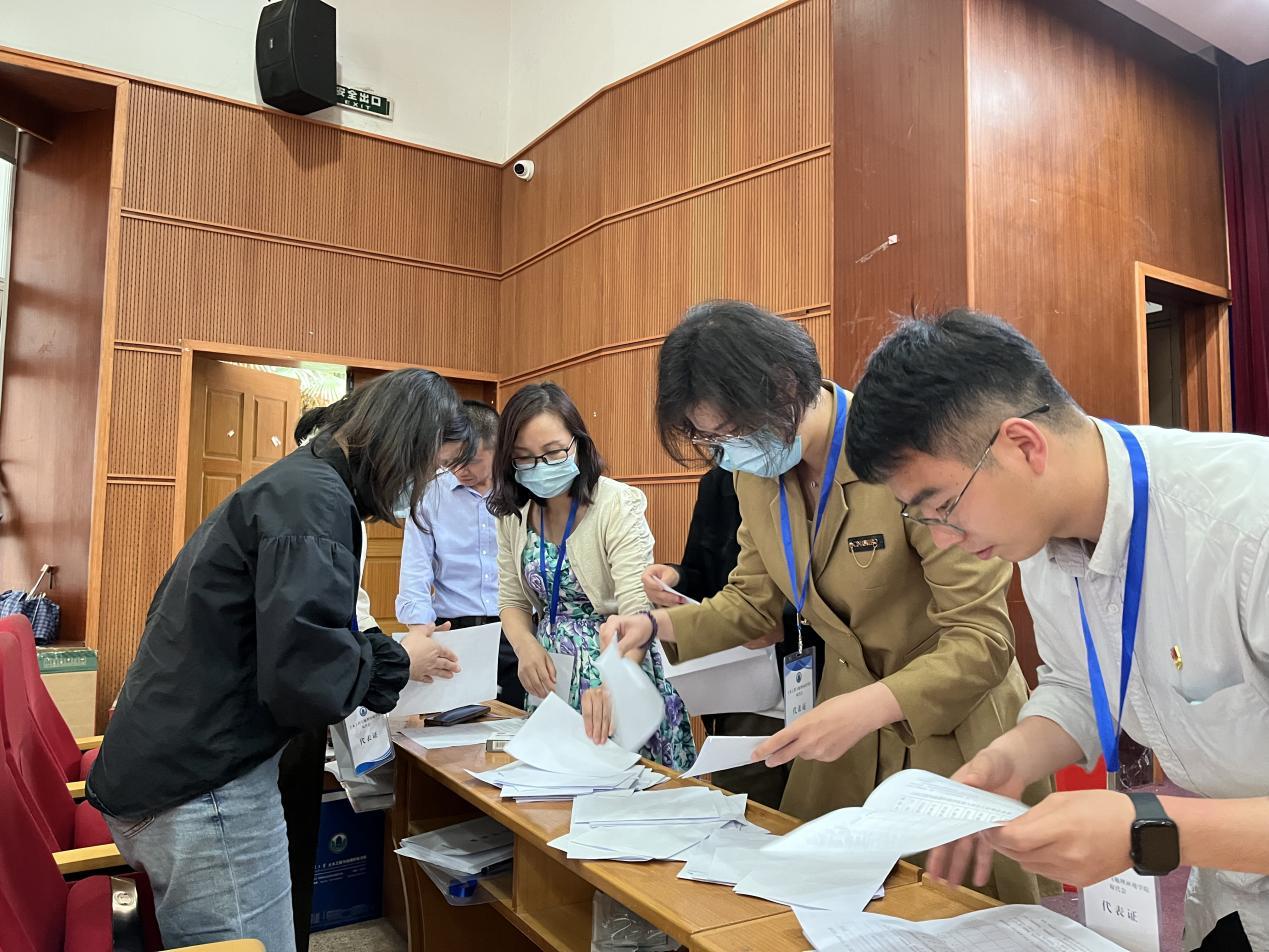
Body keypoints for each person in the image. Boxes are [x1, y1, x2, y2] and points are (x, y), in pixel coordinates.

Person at [845, 309, 1269, 950]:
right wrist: (1008, 760)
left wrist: (1147, 829)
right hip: (1237, 889)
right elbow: (1076, 684)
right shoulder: (1041, 542)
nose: (943, 540)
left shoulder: (1246, 527)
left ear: (1024, 445)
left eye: (945, 507)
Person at [600, 300, 1050, 903]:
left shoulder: (901, 450)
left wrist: (867, 708)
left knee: (948, 910)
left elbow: (982, 640)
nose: (726, 452)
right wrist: (654, 625)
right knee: (812, 903)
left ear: (785, 387)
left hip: (953, 723)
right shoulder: (755, 476)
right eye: (711, 441)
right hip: (844, 728)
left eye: (730, 433)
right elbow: (752, 602)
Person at [86, 369, 467, 951]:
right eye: (429, 471)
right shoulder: (315, 502)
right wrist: (397, 659)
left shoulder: (298, 485)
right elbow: (308, 678)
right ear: (402, 445)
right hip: (207, 785)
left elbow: (295, 638)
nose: (421, 491)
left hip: (176, 767)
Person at [489, 382, 696, 770]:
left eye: (553, 453)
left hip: (620, 662)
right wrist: (526, 646)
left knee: (629, 785)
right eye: (524, 458)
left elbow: (637, 607)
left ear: (579, 444)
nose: (540, 467)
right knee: (550, 788)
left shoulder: (616, 503)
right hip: (552, 673)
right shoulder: (514, 516)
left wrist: (616, 680)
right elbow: (512, 599)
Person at [642, 465, 824, 808]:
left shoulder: (823, 475)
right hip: (742, 686)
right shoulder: (722, 481)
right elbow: (704, 575)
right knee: (746, 808)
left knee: (820, 809)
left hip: (822, 678)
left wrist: (775, 620)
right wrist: (676, 578)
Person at [277, 404, 389, 952]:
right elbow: (319, 627)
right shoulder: (315, 503)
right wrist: (390, 659)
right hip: (287, 712)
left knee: (297, 844)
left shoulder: (332, 503)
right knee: (289, 846)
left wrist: (384, 648)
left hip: (299, 701)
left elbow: (351, 605)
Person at [397, 399, 522, 707]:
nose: (460, 471)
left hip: (517, 629)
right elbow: (415, 569)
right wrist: (419, 631)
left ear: (498, 449)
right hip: (455, 631)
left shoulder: (522, 490)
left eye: (472, 461)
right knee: (452, 723)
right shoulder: (429, 495)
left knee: (519, 720)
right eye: (451, 462)